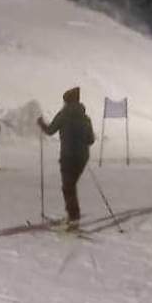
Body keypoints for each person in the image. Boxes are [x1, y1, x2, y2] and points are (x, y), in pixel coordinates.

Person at [38, 87, 96, 230]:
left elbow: (50, 131)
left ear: (67, 101)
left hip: (68, 156)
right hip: (82, 157)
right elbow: (91, 140)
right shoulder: (85, 118)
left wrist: (41, 123)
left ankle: (73, 217)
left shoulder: (63, 115)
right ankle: (73, 215)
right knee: (71, 186)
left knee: (68, 187)